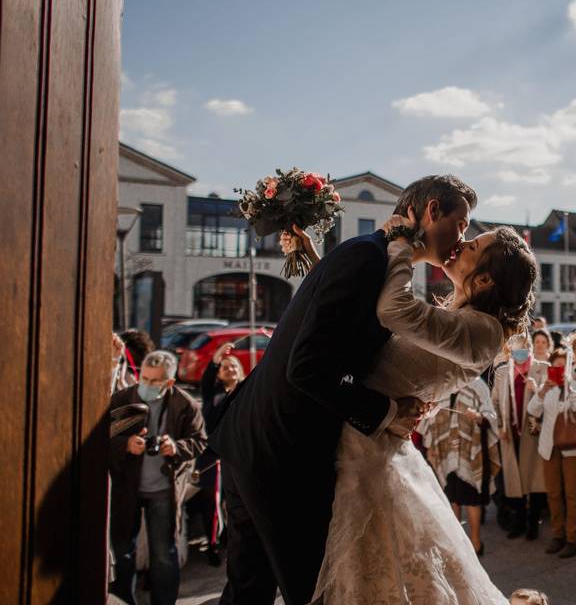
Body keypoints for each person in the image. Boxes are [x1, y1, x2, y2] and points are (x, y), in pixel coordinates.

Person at [210, 175, 476, 604]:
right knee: (318, 592)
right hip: (283, 458)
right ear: (431, 211)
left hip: (251, 440)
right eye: (461, 223)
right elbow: (308, 367)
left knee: (248, 591)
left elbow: (337, 328)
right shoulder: (367, 260)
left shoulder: (365, 256)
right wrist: (388, 411)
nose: (463, 236)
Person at [315, 216, 538, 602]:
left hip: (365, 448)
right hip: (368, 438)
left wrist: (401, 245)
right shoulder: (467, 321)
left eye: (472, 247)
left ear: (485, 280)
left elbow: (394, 311)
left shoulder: (483, 329)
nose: (462, 243)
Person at [108, 350, 206, 605]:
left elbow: (199, 442)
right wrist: (125, 445)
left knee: (163, 554)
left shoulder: (185, 405)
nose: (146, 385)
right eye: (144, 378)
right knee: (122, 553)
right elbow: (98, 438)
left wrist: (176, 448)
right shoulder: (121, 399)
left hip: (164, 488)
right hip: (127, 486)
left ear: (169, 382)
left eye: (154, 381)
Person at [416, 377, 500, 555]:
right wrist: (430, 445)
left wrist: (478, 416)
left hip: (469, 452)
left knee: (470, 499)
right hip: (446, 452)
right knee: (452, 499)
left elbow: (491, 415)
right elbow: (431, 419)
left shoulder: (478, 385)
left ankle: (476, 542)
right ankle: (458, 544)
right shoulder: (444, 384)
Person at [527, 348, 576, 558]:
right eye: (555, 366)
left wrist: (568, 387)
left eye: (563, 366)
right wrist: (543, 390)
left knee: (572, 494)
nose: (559, 370)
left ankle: (573, 538)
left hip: (573, 448)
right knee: (553, 494)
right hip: (549, 447)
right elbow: (532, 410)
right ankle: (558, 535)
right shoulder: (548, 388)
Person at [187, 341, 244, 566]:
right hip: (210, 456)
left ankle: (229, 538)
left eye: (234, 367)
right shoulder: (213, 394)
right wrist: (216, 358)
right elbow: (207, 377)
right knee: (211, 501)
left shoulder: (246, 392)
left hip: (235, 456)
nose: (230, 369)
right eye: (225, 367)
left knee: (234, 501)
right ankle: (212, 544)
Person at [493, 333, 549, 540]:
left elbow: (550, 400)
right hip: (509, 433)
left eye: (524, 347)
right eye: (516, 347)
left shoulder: (542, 368)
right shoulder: (501, 372)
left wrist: (537, 390)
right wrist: (500, 425)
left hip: (533, 431)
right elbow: (495, 402)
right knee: (514, 479)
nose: (520, 351)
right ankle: (518, 521)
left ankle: (533, 522)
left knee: (534, 478)